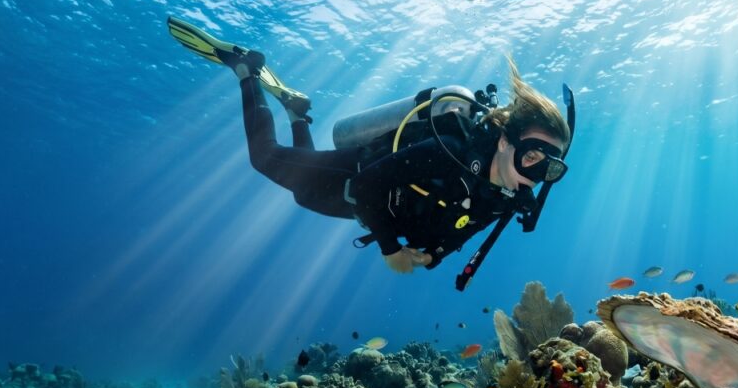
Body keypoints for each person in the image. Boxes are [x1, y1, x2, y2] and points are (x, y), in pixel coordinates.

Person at [167, 17, 573, 282]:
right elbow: (365, 185)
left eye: (549, 168)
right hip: (353, 177)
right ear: (505, 141)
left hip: (365, 208)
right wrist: (391, 249)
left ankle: (297, 113)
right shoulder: (447, 149)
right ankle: (244, 70)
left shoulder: (507, 199)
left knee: (302, 194)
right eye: (532, 155)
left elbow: (465, 235)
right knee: (265, 158)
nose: (534, 175)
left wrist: (434, 256)